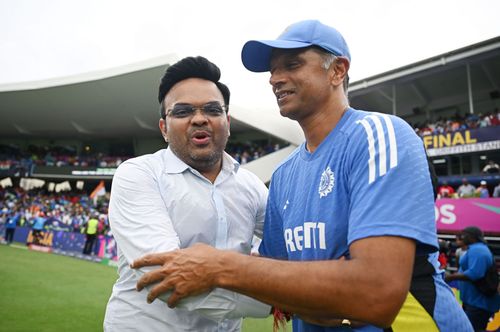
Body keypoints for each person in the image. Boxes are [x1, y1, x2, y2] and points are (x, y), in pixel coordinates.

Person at [131, 20, 472, 331]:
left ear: (337, 70)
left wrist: (221, 266)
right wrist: (313, 289)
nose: (275, 78)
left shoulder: (379, 134)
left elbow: (376, 292)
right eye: (272, 70)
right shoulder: (283, 177)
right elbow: (277, 284)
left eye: (292, 64)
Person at [103, 56, 271, 332]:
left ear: (227, 122)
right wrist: (285, 300)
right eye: (182, 112)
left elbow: (293, 245)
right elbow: (167, 279)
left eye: (212, 110)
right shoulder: (138, 174)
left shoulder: (250, 185)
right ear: (164, 129)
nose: (199, 119)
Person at [446, 227, 500, 330]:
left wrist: (451, 277)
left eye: (464, 235)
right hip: (472, 301)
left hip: (479, 302)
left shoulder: (479, 250)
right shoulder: (474, 249)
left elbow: (475, 274)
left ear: (472, 237)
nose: (461, 237)